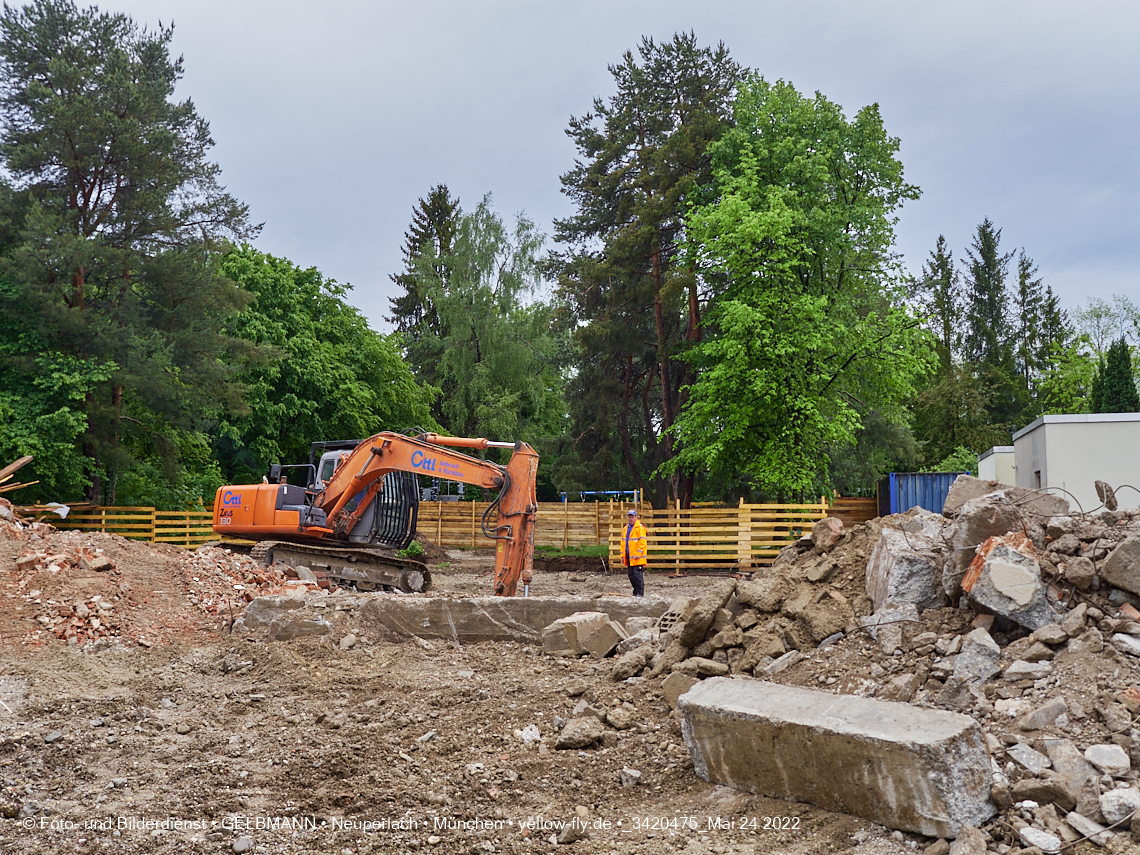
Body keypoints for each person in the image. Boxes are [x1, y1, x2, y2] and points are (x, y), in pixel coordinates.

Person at [622, 508, 648, 597]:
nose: (631, 518)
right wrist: (622, 555)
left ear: (636, 517)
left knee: (637, 575)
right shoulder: (626, 528)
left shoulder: (640, 528)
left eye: (632, 517)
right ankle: (635, 592)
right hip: (629, 556)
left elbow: (643, 542)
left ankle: (640, 593)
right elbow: (623, 543)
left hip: (637, 557)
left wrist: (639, 553)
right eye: (629, 517)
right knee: (631, 575)